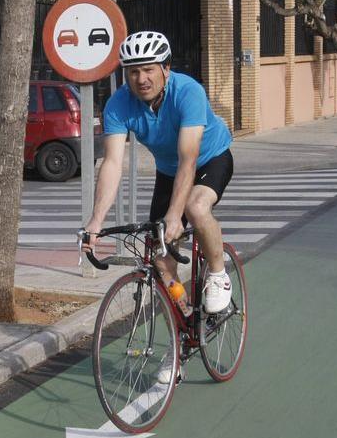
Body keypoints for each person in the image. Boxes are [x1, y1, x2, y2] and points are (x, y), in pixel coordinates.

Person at [83, 31, 234, 317]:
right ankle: (181, 336)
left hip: (210, 159)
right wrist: (95, 221)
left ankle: (218, 274)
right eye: (134, 72)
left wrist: (175, 215)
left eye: (149, 69)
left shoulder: (189, 92)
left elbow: (188, 159)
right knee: (161, 262)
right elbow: (113, 163)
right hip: (168, 171)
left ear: (166, 68)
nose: (142, 79)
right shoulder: (118, 104)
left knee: (196, 207)